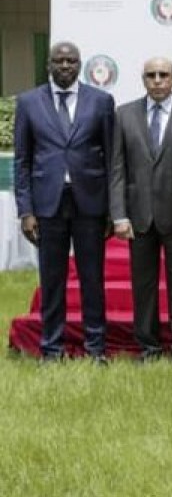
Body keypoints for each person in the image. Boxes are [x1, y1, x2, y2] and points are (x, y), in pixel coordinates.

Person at [14, 42, 116, 362]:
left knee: (91, 278)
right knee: (53, 279)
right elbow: (23, 162)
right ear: (49, 65)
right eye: (59, 61)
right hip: (48, 205)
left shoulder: (100, 102)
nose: (65, 66)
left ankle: (96, 348)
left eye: (71, 61)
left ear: (80, 65)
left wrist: (113, 210)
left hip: (90, 203)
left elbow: (112, 158)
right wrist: (26, 210)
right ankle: (52, 347)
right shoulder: (29, 102)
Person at [107, 57, 172, 361]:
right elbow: (117, 169)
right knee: (143, 286)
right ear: (143, 79)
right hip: (138, 218)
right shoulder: (124, 115)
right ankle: (148, 347)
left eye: (164, 75)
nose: (158, 80)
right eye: (152, 75)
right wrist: (119, 215)